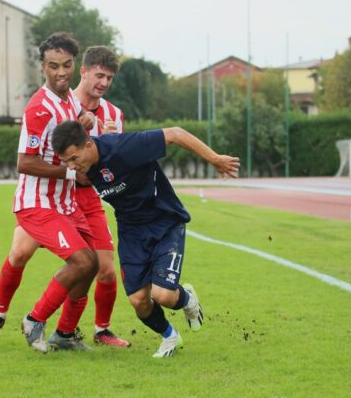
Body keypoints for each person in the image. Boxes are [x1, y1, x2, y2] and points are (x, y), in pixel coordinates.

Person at [52, 120, 240, 357]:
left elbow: (175, 134)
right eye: (66, 162)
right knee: (139, 301)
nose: (71, 167)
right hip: (131, 232)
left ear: (89, 145)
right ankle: (170, 337)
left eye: (74, 159)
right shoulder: (83, 170)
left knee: (162, 295)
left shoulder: (125, 147)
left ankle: (187, 299)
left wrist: (215, 159)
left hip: (164, 221)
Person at [0, 32, 98, 352]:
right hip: (38, 203)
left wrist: (87, 122)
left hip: (63, 202)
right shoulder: (39, 108)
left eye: (67, 65)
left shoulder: (71, 101)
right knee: (81, 262)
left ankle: (64, 334)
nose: (60, 72)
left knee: (84, 263)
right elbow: (24, 163)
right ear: (42, 66)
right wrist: (72, 172)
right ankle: (25, 318)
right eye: (53, 66)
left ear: (74, 65)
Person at [72, 46, 129, 347]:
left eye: (109, 78)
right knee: (21, 254)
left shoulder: (114, 115)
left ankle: (101, 330)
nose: (104, 83)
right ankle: (2, 316)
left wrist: (110, 144)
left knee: (105, 269)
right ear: (83, 71)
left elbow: (116, 167)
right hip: (56, 198)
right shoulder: (61, 105)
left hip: (90, 200)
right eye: (99, 75)